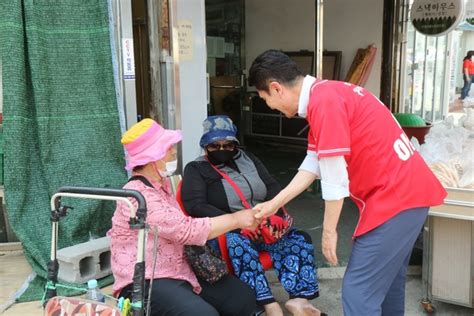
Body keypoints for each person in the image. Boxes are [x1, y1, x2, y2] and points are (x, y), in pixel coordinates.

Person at [247, 50, 447, 316]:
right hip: (410, 196)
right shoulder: (329, 93)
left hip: (395, 200)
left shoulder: (323, 103)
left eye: (264, 99)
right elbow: (313, 162)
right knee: (387, 284)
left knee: (358, 292)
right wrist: (275, 203)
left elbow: (334, 176)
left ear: (276, 88)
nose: (270, 107)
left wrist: (329, 232)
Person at [108, 118, 258, 316]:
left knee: (242, 298)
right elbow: (186, 230)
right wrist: (237, 219)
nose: (172, 152)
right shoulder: (137, 196)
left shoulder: (160, 185)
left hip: (180, 269)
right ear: (153, 156)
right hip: (147, 279)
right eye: (168, 148)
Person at [181, 115, 324, 316]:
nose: (221, 150)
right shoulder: (196, 169)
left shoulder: (248, 159)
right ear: (205, 146)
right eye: (215, 146)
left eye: (228, 145)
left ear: (235, 145)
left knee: (299, 239)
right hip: (230, 230)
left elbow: (272, 185)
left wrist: (276, 213)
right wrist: (237, 223)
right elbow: (195, 205)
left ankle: (299, 300)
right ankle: (267, 303)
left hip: (263, 223)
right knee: (237, 244)